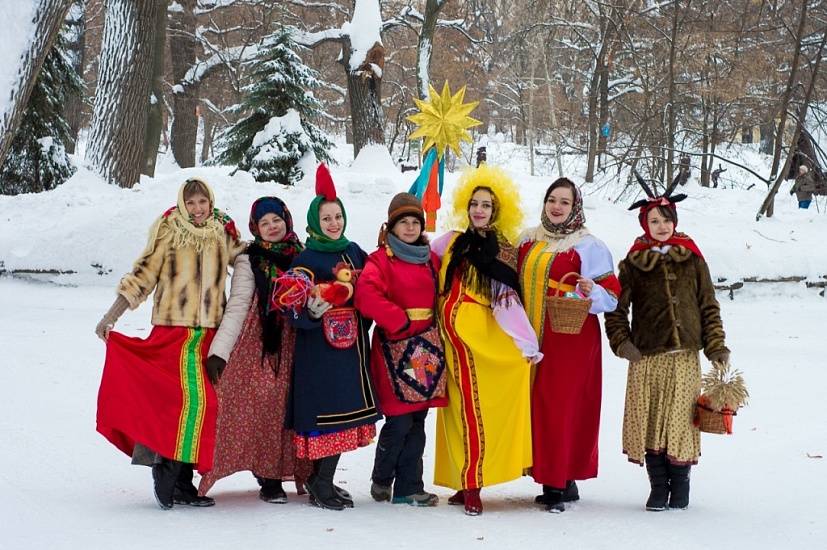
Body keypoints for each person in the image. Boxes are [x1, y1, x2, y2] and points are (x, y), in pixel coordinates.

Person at [95, 177, 248, 510]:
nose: (197, 209)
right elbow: (143, 274)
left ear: (211, 203)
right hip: (172, 333)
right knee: (182, 405)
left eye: (202, 202)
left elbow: (251, 260)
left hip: (208, 334)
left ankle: (179, 480)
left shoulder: (223, 231)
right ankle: (167, 470)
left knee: (203, 408)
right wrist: (111, 316)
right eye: (190, 203)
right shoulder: (169, 230)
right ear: (182, 204)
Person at [604, 187, 730, 512]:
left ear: (675, 221)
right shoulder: (633, 262)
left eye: (666, 220)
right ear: (645, 224)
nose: (662, 226)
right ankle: (658, 488)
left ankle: (681, 485)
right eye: (654, 220)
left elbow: (708, 305)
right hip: (646, 358)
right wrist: (622, 342)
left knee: (681, 421)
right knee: (650, 423)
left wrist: (716, 345)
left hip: (685, 359)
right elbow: (616, 309)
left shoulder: (692, 258)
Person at [430, 164, 542, 516]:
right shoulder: (450, 242)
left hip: (478, 344)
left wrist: (526, 342)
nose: (479, 210)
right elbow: (420, 260)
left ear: (496, 211)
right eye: (474, 204)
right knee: (454, 415)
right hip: (448, 342)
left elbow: (506, 301)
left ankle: (474, 483)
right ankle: (464, 479)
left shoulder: (500, 250)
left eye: (486, 206)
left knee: (475, 411)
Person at [197, 196, 313, 503]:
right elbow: (237, 305)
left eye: (276, 220)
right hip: (261, 344)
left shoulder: (302, 254)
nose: (272, 227)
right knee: (264, 406)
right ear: (255, 228)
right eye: (265, 222)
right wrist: (220, 351)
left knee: (294, 409)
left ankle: (303, 470)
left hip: (299, 342)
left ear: (287, 220)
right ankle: (269, 477)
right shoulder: (251, 258)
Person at [517, 177, 621, 513]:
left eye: (564, 201)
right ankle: (562, 478)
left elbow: (613, 297)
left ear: (575, 206)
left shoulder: (587, 245)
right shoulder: (528, 239)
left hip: (570, 337)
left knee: (561, 406)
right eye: (551, 200)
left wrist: (592, 292)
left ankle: (557, 484)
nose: (556, 207)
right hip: (531, 335)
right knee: (539, 405)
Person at [287, 164, 382, 511]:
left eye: (337, 216)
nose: (333, 223)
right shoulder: (305, 258)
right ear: (315, 222)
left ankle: (321, 481)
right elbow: (290, 308)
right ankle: (320, 481)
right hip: (320, 355)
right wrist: (312, 309)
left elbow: (371, 287)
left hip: (352, 352)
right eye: (326, 218)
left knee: (346, 414)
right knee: (329, 419)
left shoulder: (353, 251)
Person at [353, 192, 447, 507]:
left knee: (418, 419)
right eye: (403, 222)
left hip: (426, 352)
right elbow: (366, 295)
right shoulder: (380, 260)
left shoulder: (431, 259)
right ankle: (382, 479)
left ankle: (409, 487)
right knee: (399, 420)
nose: (409, 227)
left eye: (414, 222)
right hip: (394, 349)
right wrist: (400, 321)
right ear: (391, 226)